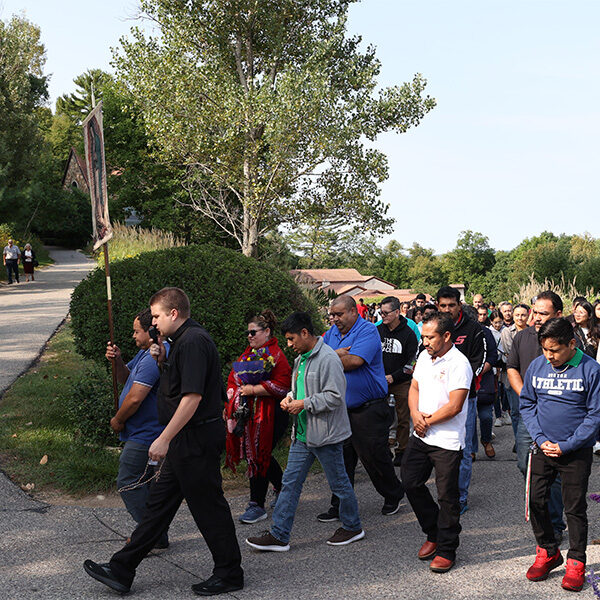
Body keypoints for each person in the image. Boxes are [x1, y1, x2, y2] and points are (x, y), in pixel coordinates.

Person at [84, 287, 243, 596]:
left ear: (173, 313)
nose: (153, 322)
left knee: (208, 507)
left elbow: (193, 398)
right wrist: (161, 359)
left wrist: (164, 438)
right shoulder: (177, 342)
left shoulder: (194, 342)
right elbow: (176, 386)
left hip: (194, 437)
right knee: (158, 506)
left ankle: (229, 573)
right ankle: (121, 569)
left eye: (156, 316)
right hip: (185, 438)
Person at [246, 312, 364, 552]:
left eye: (291, 339)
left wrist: (303, 403)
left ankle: (353, 527)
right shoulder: (301, 359)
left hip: (325, 434)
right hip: (302, 434)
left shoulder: (328, 359)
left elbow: (335, 397)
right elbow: (297, 389)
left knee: (339, 483)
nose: (289, 345)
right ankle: (279, 535)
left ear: (305, 333)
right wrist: (291, 398)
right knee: (290, 483)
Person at [520, 318, 600, 592]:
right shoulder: (537, 366)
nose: (549, 356)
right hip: (542, 448)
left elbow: (595, 415)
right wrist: (541, 439)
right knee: (537, 501)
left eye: (555, 350)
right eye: (545, 349)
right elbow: (527, 403)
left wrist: (567, 445)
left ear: (572, 344)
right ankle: (547, 550)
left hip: (575, 452)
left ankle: (576, 560)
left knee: (574, 507)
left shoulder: (591, 369)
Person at [318, 295, 405, 521]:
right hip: (341, 410)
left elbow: (355, 361)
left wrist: (330, 358)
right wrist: (336, 355)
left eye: (339, 314)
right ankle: (339, 505)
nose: (334, 319)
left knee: (374, 457)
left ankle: (393, 494)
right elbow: (317, 359)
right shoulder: (331, 334)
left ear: (353, 312)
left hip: (369, 409)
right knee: (340, 460)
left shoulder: (367, 331)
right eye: (332, 315)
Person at [401, 312, 473, 574]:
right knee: (409, 481)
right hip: (421, 435)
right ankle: (433, 532)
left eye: (430, 337)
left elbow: (455, 406)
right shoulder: (423, 356)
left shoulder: (459, 363)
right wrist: (415, 414)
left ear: (446, 336)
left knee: (447, 497)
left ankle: (446, 549)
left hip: (447, 441)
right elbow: (414, 389)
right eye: (423, 336)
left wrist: (427, 421)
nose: (425, 342)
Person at [105, 308, 169, 549]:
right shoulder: (144, 354)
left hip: (147, 433)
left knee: (128, 481)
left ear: (150, 333)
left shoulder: (154, 358)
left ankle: (148, 535)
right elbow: (127, 378)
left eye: (136, 331)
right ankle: (155, 535)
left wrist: (118, 420)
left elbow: (135, 398)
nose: (133, 336)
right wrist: (118, 360)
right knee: (146, 484)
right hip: (141, 431)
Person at [507, 291, 566, 541]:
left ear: (558, 315)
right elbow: (512, 368)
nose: (537, 317)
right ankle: (541, 514)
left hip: (557, 418)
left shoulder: (568, 340)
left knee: (553, 470)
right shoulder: (522, 337)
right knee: (526, 465)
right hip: (528, 416)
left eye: (544, 313)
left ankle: (554, 524)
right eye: (535, 311)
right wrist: (527, 398)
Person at [225, 310, 291, 524]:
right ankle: (281, 489)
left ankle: (257, 504)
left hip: (271, 416)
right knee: (258, 454)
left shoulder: (276, 356)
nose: (249, 336)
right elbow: (234, 379)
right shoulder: (248, 354)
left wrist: (254, 390)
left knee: (259, 455)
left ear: (267, 332)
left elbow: (283, 386)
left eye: (253, 332)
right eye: (248, 333)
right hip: (250, 416)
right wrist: (237, 393)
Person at [436, 286, 485, 514]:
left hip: (466, 400)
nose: (447, 310)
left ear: (459, 305)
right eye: (442, 305)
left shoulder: (474, 329)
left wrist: (458, 385)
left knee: (462, 450)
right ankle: (445, 496)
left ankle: (460, 498)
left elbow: (479, 362)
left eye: (451, 305)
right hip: (436, 400)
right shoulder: (432, 328)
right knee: (439, 450)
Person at [377, 296, 419, 466]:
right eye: (381, 312)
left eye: (386, 313)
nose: (383, 315)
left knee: (403, 418)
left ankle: (402, 450)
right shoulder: (377, 330)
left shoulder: (408, 334)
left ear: (396, 312)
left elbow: (413, 361)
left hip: (401, 381)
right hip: (380, 381)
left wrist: (394, 376)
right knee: (380, 416)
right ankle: (383, 449)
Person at [500, 303, 530, 440]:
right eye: (517, 315)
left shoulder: (533, 332)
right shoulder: (507, 332)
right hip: (512, 376)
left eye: (523, 315)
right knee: (516, 411)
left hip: (529, 376)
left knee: (529, 410)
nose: (520, 318)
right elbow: (510, 354)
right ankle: (519, 440)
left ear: (528, 315)